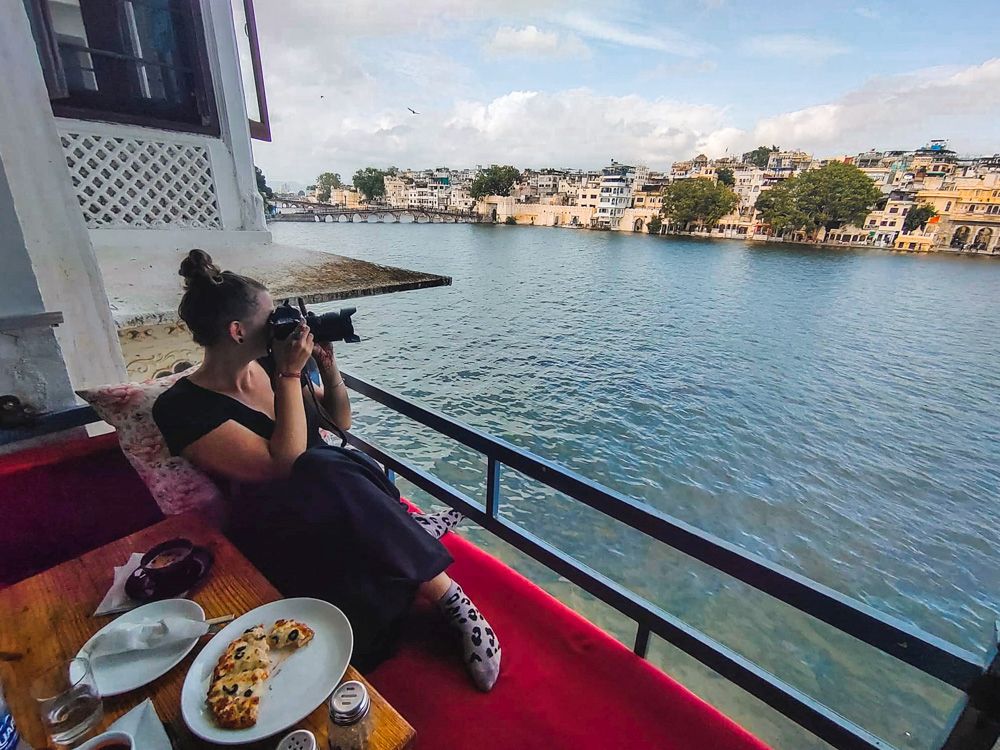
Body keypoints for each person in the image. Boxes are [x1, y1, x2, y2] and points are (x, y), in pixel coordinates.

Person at [153, 249, 500, 690]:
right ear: (238, 332)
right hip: (279, 522)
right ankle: (430, 567)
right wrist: (289, 375)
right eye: (271, 318)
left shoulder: (268, 364)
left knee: (330, 469)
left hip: (340, 500)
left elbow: (340, 420)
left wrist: (327, 368)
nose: (284, 325)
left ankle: (447, 596)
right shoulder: (182, 407)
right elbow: (286, 464)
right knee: (321, 471)